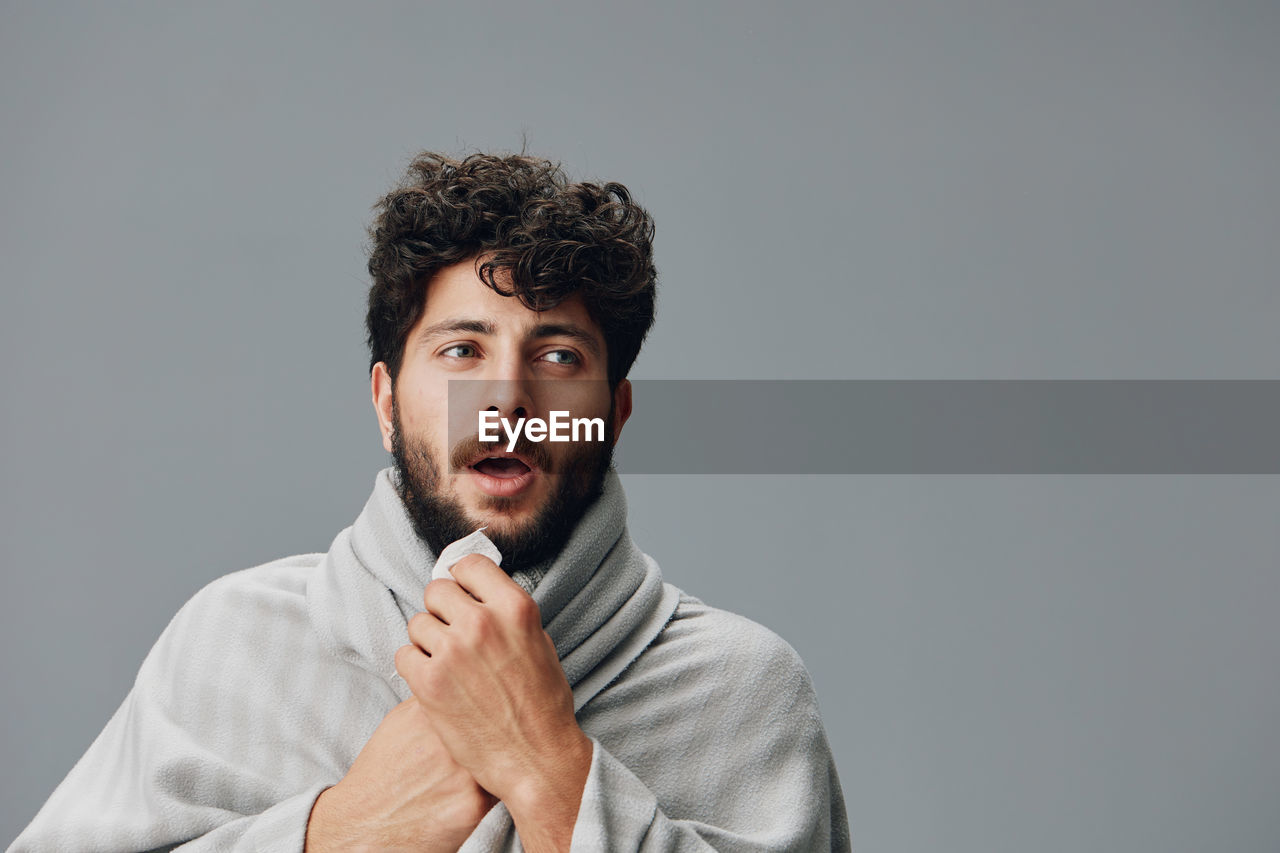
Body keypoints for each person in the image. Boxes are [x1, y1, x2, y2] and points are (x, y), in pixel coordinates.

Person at [10, 152, 851, 852]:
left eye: (557, 355)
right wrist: (338, 833)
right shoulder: (232, 644)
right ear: (385, 402)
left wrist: (549, 771)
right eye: (461, 348)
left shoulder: (740, 690)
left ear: (615, 413)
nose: (506, 399)